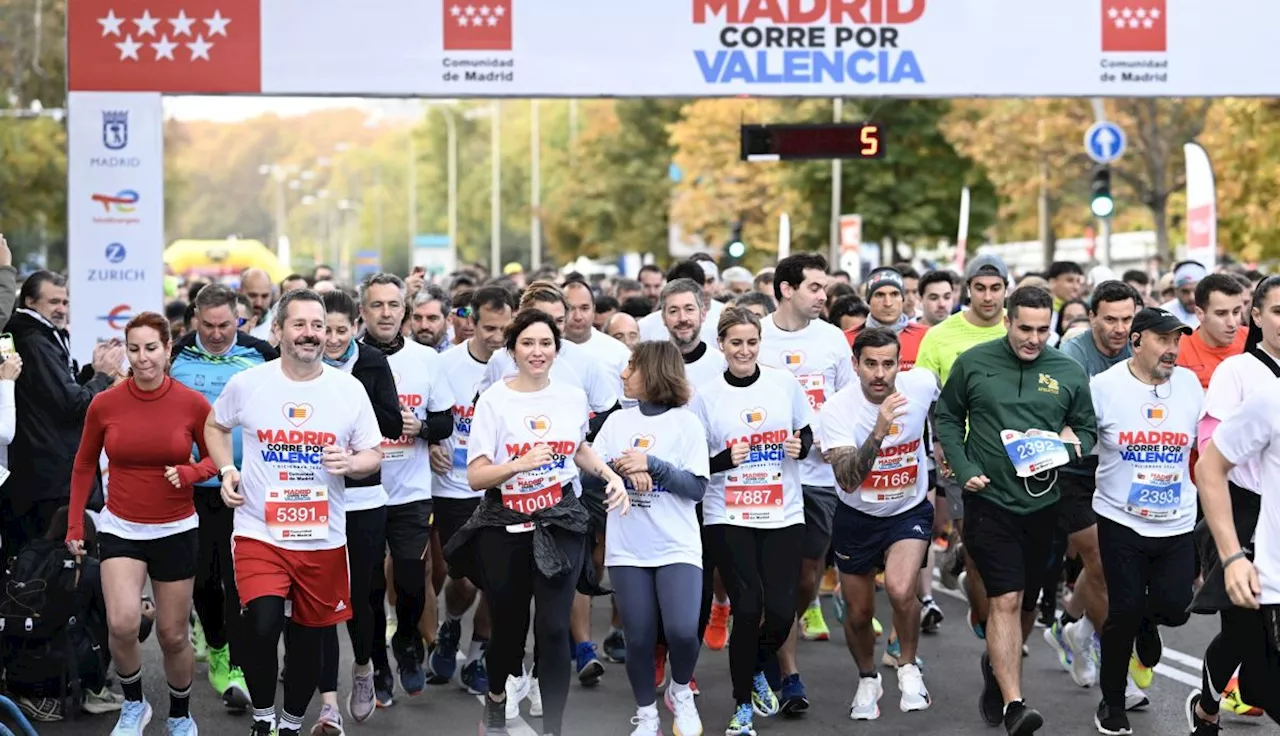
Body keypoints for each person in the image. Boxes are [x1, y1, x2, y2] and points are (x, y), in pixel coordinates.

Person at [204, 289, 384, 736]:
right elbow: (214, 424)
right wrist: (228, 469)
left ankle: (288, 723)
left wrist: (352, 463)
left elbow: (374, 454)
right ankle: (263, 717)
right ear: (278, 330)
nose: (310, 334)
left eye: (317, 326)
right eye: (300, 324)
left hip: (321, 535)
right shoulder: (250, 383)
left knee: (309, 637)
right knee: (263, 623)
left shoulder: (349, 390)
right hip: (258, 530)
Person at [444, 308, 628, 736]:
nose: (537, 351)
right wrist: (518, 464)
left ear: (556, 350)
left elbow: (579, 447)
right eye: (527, 343)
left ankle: (554, 729)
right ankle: (496, 698)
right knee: (509, 630)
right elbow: (475, 476)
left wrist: (609, 474)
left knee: (551, 626)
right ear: (512, 350)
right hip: (505, 525)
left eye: (546, 343)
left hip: (560, 519)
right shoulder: (494, 401)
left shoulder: (570, 396)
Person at [935, 285, 1097, 736]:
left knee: (1025, 601)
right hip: (990, 500)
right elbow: (946, 416)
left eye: (1043, 329)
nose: (1033, 338)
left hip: (1047, 504)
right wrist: (964, 467)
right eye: (1024, 327)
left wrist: (1073, 446)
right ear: (1007, 321)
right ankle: (1014, 705)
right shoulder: (975, 363)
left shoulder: (1067, 370)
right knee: (1004, 598)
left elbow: (1086, 427)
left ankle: (997, 666)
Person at [66, 311, 219, 736]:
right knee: (122, 623)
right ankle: (135, 706)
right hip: (121, 527)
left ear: (168, 349)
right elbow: (83, 465)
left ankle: (180, 713)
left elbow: (215, 459)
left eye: (151, 348)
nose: (143, 358)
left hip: (175, 528)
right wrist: (76, 524)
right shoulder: (106, 402)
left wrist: (190, 473)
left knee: (172, 636)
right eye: (134, 349)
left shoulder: (192, 403)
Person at [691, 306, 814, 736]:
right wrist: (725, 459)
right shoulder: (705, 397)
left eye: (751, 342)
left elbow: (806, 429)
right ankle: (741, 706)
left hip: (782, 510)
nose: (744, 350)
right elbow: (694, 462)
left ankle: (759, 665)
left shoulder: (783, 382)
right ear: (722, 345)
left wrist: (802, 445)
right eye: (735, 342)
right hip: (728, 512)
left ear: (760, 344)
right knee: (747, 607)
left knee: (781, 612)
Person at [1087, 307, 1201, 734]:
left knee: (1176, 608)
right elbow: (1078, 434)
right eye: (1163, 340)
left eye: (1177, 341)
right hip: (1120, 518)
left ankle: (1148, 623)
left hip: (1176, 521)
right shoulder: (1104, 387)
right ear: (1136, 341)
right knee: (1124, 610)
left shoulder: (1189, 386)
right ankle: (1112, 702)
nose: (1172, 349)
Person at [821, 328, 939, 720]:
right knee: (858, 613)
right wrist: (880, 429)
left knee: (902, 589)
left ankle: (907, 666)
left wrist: (948, 449)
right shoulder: (838, 409)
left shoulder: (919, 385)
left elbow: (955, 407)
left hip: (908, 511)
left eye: (888, 363)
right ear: (855, 365)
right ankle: (867, 678)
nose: (879, 373)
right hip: (857, 517)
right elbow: (848, 479)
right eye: (870, 363)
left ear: (898, 364)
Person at [170, 283, 277, 709]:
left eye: (225, 325)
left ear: (240, 319)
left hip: (246, 485)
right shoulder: (175, 353)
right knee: (202, 577)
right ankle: (216, 644)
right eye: (207, 325)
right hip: (191, 486)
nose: (216, 334)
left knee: (239, 579)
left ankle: (237, 662)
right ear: (194, 318)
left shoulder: (259, 354)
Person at [594, 341, 709, 736]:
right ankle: (646, 714)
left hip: (677, 544)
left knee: (681, 631)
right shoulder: (615, 424)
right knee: (639, 638)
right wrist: (622, 470)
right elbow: (590, 476)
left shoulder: (686, 424)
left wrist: (652, 465)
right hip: (628, 547)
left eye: (632, 366)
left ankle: (680, 691)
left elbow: (696, 489)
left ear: (655, 372)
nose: (624, 374)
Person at [759, 252, 854, 713]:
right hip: (764, 478)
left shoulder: (833, 339)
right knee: (774, 577)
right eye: (815, 287)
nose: (824, 295)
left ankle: (776, 633)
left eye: (825, 288)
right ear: (786, 289)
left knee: (805, 576)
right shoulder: (754, 337)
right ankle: (788, 672)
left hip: (818, 477)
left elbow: (846, 402)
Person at [1186, 275, 1280, 732]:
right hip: (1243, 508)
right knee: (1244, 630)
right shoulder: (1238, 373)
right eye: (1277, 311)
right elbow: (1211, 452)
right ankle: (1207, 705)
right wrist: (1231, 550)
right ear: (1256, 317)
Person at [311, 289, 403, 731]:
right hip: (312, 496)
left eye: (339, 330)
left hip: (364, 497)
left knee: (365, 593)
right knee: (323, 596)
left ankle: (364, 666)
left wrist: (351, 398)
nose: (329, 339)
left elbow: (390, 422)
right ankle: (328, 701)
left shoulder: (371, 364)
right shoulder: (300, 366)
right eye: (323, 329)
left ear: (355, 329)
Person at [1047, 281, 1141, 694]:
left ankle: (1072, 624)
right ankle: (1115, 669)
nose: (1120, 329)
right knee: (1102, 562)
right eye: (1110, 319)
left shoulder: (1141, 348)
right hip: (1076, 475)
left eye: (1127, 319)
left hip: (1122, 470)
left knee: (1108, 564)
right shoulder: (1072, 356)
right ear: (1091, 318)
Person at [915, 254, 1009, 640]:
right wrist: (935, 446)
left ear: (1007, 289)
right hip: (961, 455)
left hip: (1013, 458)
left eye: (996, 288)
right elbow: (922, 399)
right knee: (978, 546)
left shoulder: (1018, 329)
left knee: (1008, 550)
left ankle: (997, 612)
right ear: (966, 290)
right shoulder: (939, 337)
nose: (988, 297)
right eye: (980, 288)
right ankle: (991, 627)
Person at [428, 285, 514, 705]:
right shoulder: (444, 366)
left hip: (504, 488)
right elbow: (430, 418)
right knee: (461, 579)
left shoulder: (522, 366)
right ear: (470, 324)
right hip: (454, 489)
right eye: (490, 329)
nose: (498, 337)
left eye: (505, 328)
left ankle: (479, 654)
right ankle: (450, 626)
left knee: (501, 580)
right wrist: (430, 443)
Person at [5, 271, 123, 559]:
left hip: (46, 472)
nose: (61, 308)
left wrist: (90, 373)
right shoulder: (34, 340)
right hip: (47, 477)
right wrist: (102, 377)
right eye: (53, 301)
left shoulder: (45, 335)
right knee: (49, 568)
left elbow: (59, 393)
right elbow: (73, 406)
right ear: (30, 301)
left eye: (65, 302)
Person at [1176, 273, 1246, 389]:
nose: (1232, 323)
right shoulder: (1178, 351)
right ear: (1200, 314)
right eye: (1221, 314)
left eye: (1236, 312)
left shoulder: (1255, 340)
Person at [1162, 261, 1207, 329]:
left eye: (1196, 291)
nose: (1192, 297)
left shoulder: (1219, 313)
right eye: (1185, 291)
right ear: (1176, 291)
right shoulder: (1164, 315)